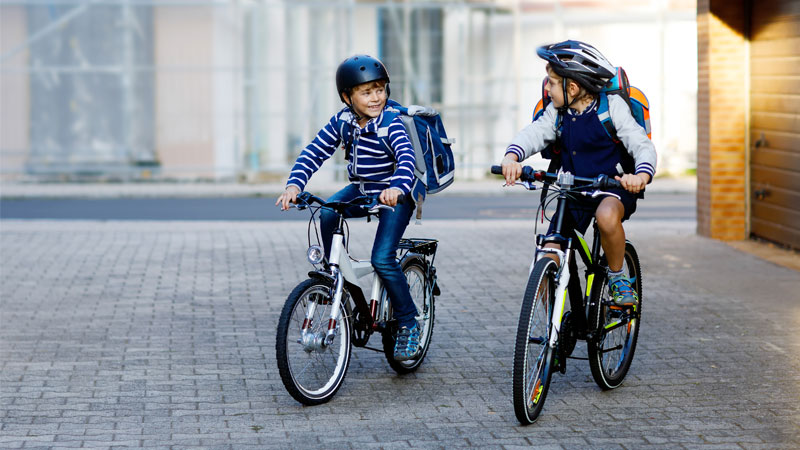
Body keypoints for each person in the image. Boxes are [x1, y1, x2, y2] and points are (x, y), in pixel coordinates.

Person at [275, 54, 422, 361]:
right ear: (347, 97)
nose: (376, 97)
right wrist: (294, 186)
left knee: (383, 259)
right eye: (366, 92)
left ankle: (409, 322)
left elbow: (407, 159)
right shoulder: (343, 122)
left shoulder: (391, 123)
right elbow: (314, 151)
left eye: (380, 89)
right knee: (328, 211)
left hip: (396, 195)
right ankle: (334, 275)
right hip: (362, 189)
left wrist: (397, 187)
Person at [501, 40, 657, 305]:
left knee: (606, 217)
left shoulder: (611, 108)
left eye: (551, 83)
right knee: (548, 252)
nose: (546, 89)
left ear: (572, 88)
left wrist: (640, 176)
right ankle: (551, 319)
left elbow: (641, 145)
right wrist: (512, 157)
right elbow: (534, 133)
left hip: (614, 188)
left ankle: (617, 276)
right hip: (574, 191)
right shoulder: (558, 113)